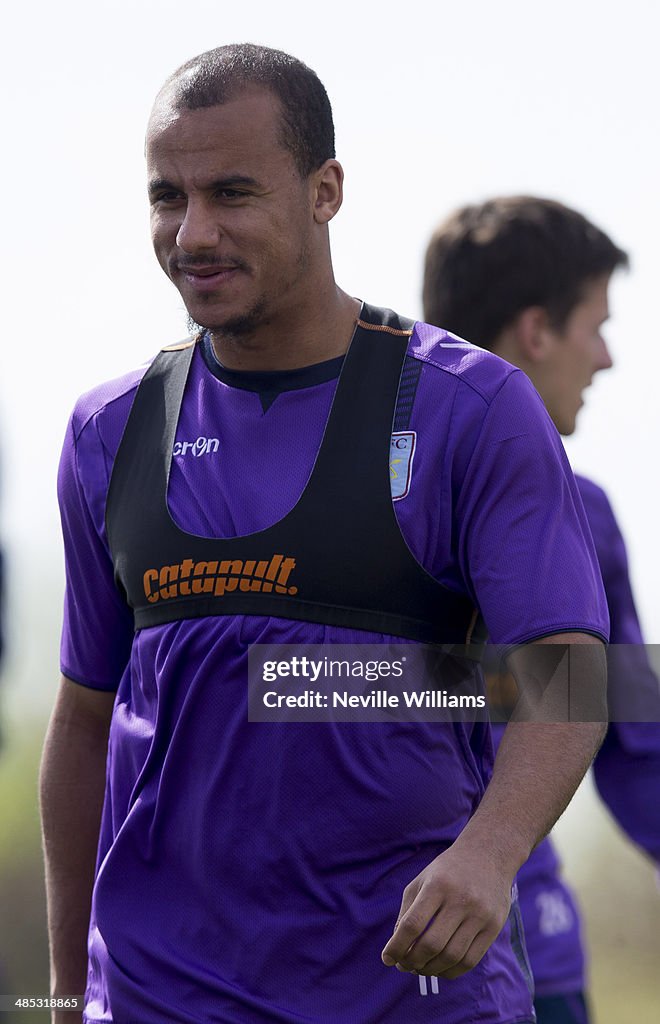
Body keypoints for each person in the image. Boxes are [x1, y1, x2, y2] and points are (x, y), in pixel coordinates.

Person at [40, 48, 609, 1024]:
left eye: (231, 193)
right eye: (166, 197)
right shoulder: (109, 432)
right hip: (157, 999)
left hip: (414, 998)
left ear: (325, 191)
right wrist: (64, 993)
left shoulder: (472, 409)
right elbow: (86, 722)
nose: (194, 232)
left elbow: (570, 671)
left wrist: (491, 851)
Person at [423, 195, 660, 1024]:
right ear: (536, 331)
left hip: (536, 954)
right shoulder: (368, 507)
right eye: (595, 324)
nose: (605, 358)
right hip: (364, 955)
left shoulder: (585, 517)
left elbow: (637, 740)